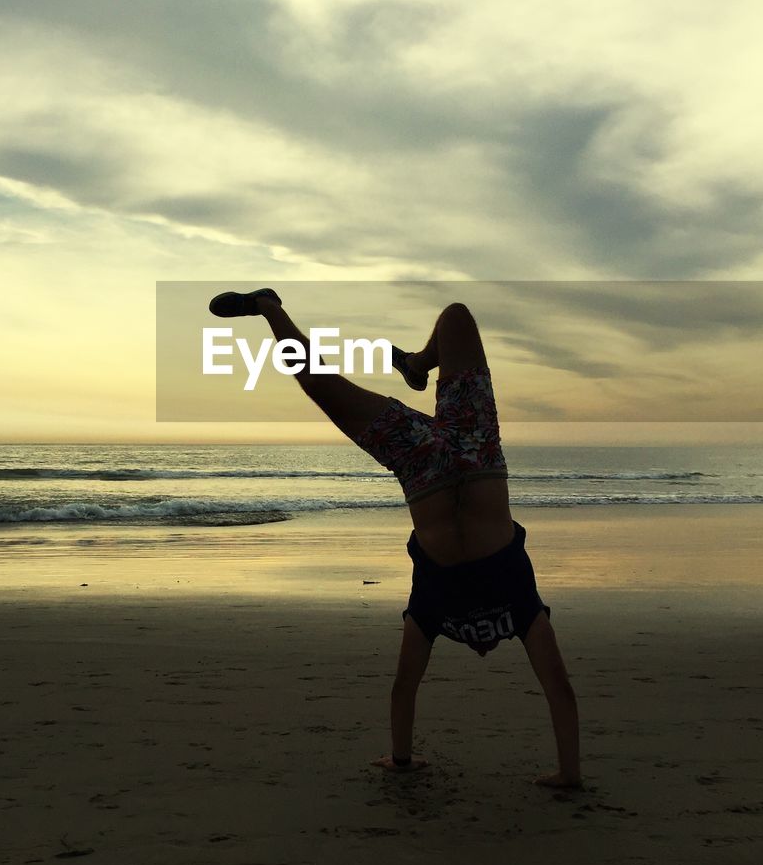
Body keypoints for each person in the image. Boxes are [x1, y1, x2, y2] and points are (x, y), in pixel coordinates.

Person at [207, 288, 581, 788]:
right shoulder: (512, 604)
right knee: (454, 317)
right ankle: (415, 363)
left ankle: (270, 307)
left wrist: (402, 762)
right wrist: (568, 776)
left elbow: (406, 686)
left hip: (427, 459)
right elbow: (556, 688)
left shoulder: (453, 606)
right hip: (474, 449)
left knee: (322, 383)